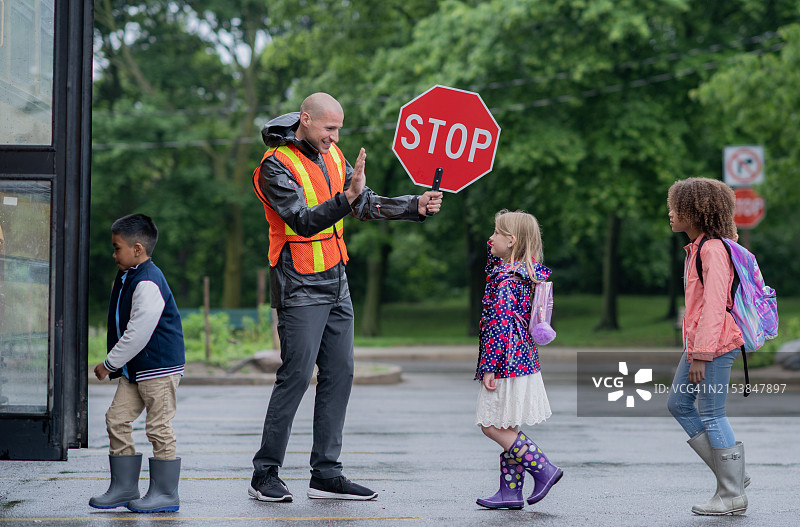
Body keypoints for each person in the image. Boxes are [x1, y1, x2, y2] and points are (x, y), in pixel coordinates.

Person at [249, 92, 443, 502]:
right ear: (306, 119)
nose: (335, 137)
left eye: (339, 129)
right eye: (329, 128)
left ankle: (326, 474)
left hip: (336, 281)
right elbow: (302, 221)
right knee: (297, 375)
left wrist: (415, 205)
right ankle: (265, 474)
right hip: (299, 281)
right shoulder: (274, 167)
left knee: (340, 375)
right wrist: (348, 197)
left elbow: (363, 203)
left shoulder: (334, 158)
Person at [89, 213, 185, 513]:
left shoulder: (148, 281)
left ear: (138, 249)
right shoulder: (128, 275)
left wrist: (109, 363)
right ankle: (124, 487)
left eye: (117, 247)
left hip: (158, 367)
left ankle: (166, 493)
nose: (114, 253)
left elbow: (138, 332)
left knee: (158, 427)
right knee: (116, 419)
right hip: (136, 369)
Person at [666, 177, 748, 516]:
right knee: (678, 403)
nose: (670, 213)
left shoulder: (713, 249)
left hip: (714, 345)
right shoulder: (698, 248)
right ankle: (734, 478)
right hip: (701, 343)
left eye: (676, 207)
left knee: (712, 412)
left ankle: (731, 492)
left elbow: (715, 306)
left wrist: (701, 354)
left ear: (696, 212)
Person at [474, 210, 562, 510]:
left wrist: (489, 367)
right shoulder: (523, 274)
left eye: (496, 234)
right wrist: (492, 253)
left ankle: (543, 468)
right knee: (507, 424)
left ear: (511, 241)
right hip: (523, 360)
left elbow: (499, 326)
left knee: (491, 425)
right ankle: (510, 492)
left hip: (506, 363)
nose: (490, 238)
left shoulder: (507, 281)